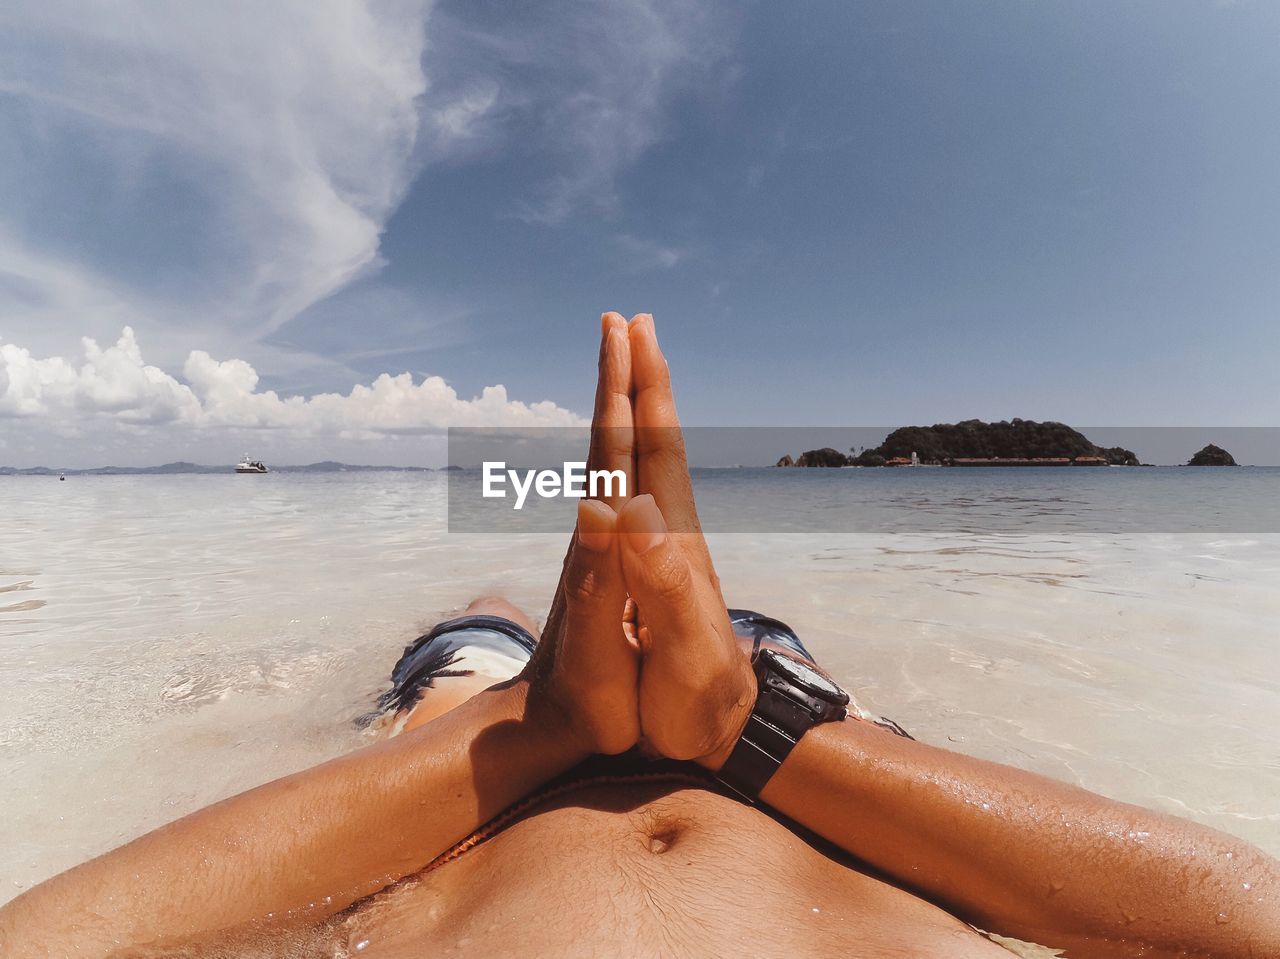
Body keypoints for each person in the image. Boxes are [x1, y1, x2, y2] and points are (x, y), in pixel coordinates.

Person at [2, 314, 1277, 959]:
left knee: (484, 625)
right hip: (819, 755)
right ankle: (691, 641)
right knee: (725, 627)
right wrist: (751, 726)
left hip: (467, 753)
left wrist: (537, 723)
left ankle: (536, 621)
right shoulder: (769, 721)